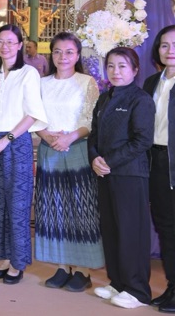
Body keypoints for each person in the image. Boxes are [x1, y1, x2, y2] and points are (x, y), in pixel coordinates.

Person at [35, 32, 102, 292]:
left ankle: (83, 270)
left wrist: (69, 137)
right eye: (57, 51)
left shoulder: (87, 82)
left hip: (78, 149)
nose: (63, 57)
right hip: (49, 150)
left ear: (78, 55)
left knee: (82, 210)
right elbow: (33, 116)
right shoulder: (41, 83)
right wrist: (47, 136)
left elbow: (91, 119)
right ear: (51, 54)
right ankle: (62, 266)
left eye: (69, 52)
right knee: (54, 209)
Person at [0, 24, 47, 285]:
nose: (4, 46)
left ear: (20, 45)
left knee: (18, 204)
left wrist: (7, 139)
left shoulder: (28, 73)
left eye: (10, 41)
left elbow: (33, 113)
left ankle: (18, 263)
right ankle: (6, 258)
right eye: (0, 41)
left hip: (15, 143)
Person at [89, 47, 154, 309]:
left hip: (130, 174)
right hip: (105, 174)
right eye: (111, 66)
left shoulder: (141, 100)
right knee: (111, 229)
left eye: (122, 66)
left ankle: (138, 291)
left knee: (131, 232)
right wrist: (94, 158)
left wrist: (109, 161)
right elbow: (94, 135)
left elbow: (142, 140)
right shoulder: (104, 98)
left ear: (135, 70)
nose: (115, 71)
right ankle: (117, 282)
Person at [143, 25, 175, 311]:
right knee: (165, 226)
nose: (170, 50)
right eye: (164, 45)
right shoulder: (152, 82)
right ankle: (172, 286)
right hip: (156, 160)